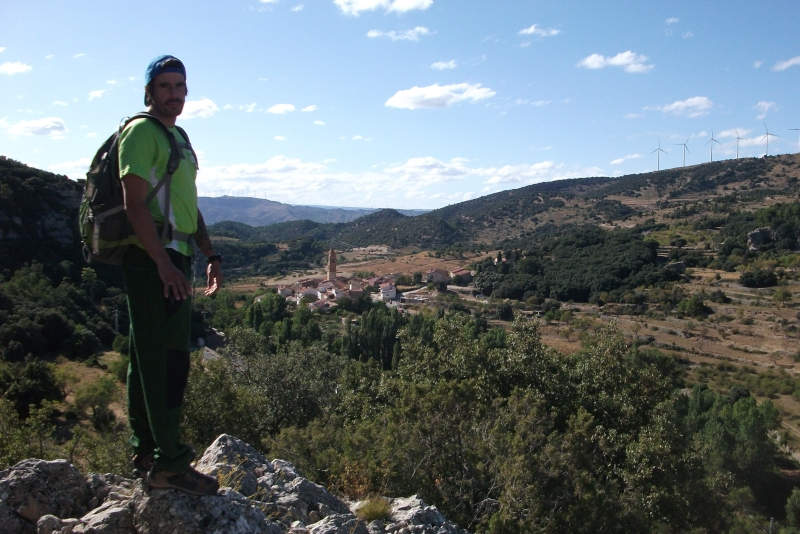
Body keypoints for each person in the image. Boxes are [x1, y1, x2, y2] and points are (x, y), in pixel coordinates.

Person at [118, 54, 222, 496]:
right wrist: (162, 263)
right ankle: (170, 464)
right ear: (149, 91)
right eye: (165, 86)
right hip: (151, 259)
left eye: (180, 87)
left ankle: (147, 450)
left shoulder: (178, 137)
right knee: (168, 359)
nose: (174, 95)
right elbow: (134, 204)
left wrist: (209, 252)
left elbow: (186, 202)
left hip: (174, 256)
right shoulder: (142, 132)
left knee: (147, 356)